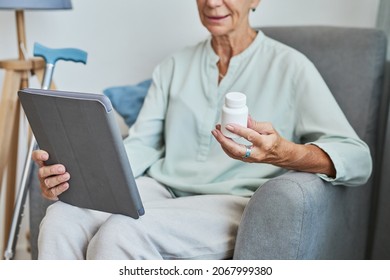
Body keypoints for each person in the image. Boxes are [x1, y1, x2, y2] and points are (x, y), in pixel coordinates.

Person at [32, 0, 372, 260]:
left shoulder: (291, 68)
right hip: (160, 190)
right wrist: (79, 175)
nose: (212, 2)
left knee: (121, 233)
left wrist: (286, 153)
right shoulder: (174, 66)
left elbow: (357, 158)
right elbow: (140, 146)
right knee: (61, 217)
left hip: (231, 201)